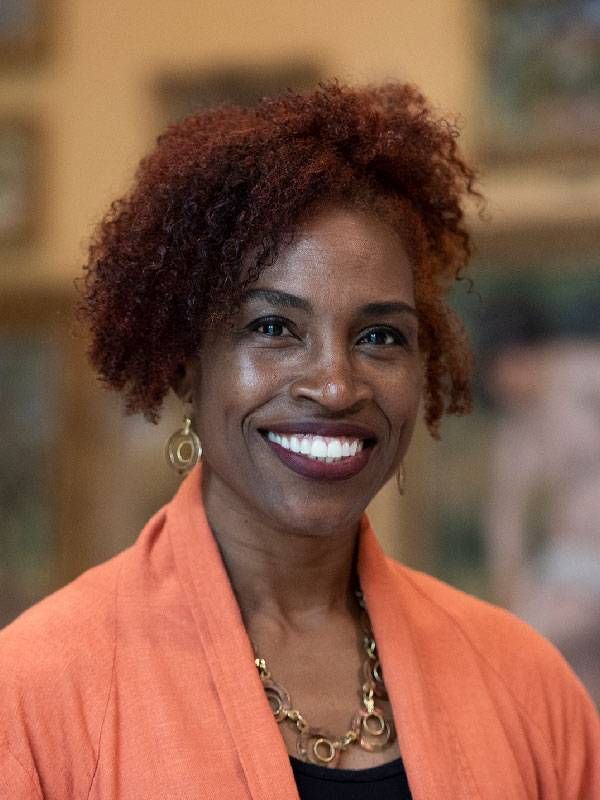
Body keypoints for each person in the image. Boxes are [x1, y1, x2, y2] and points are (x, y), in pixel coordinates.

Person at [0, 83, 598, 800]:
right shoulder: (35, 692)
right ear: (190, 363)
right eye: (274, 328)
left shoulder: (527, 685)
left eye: (380, 336)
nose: (336, 385)